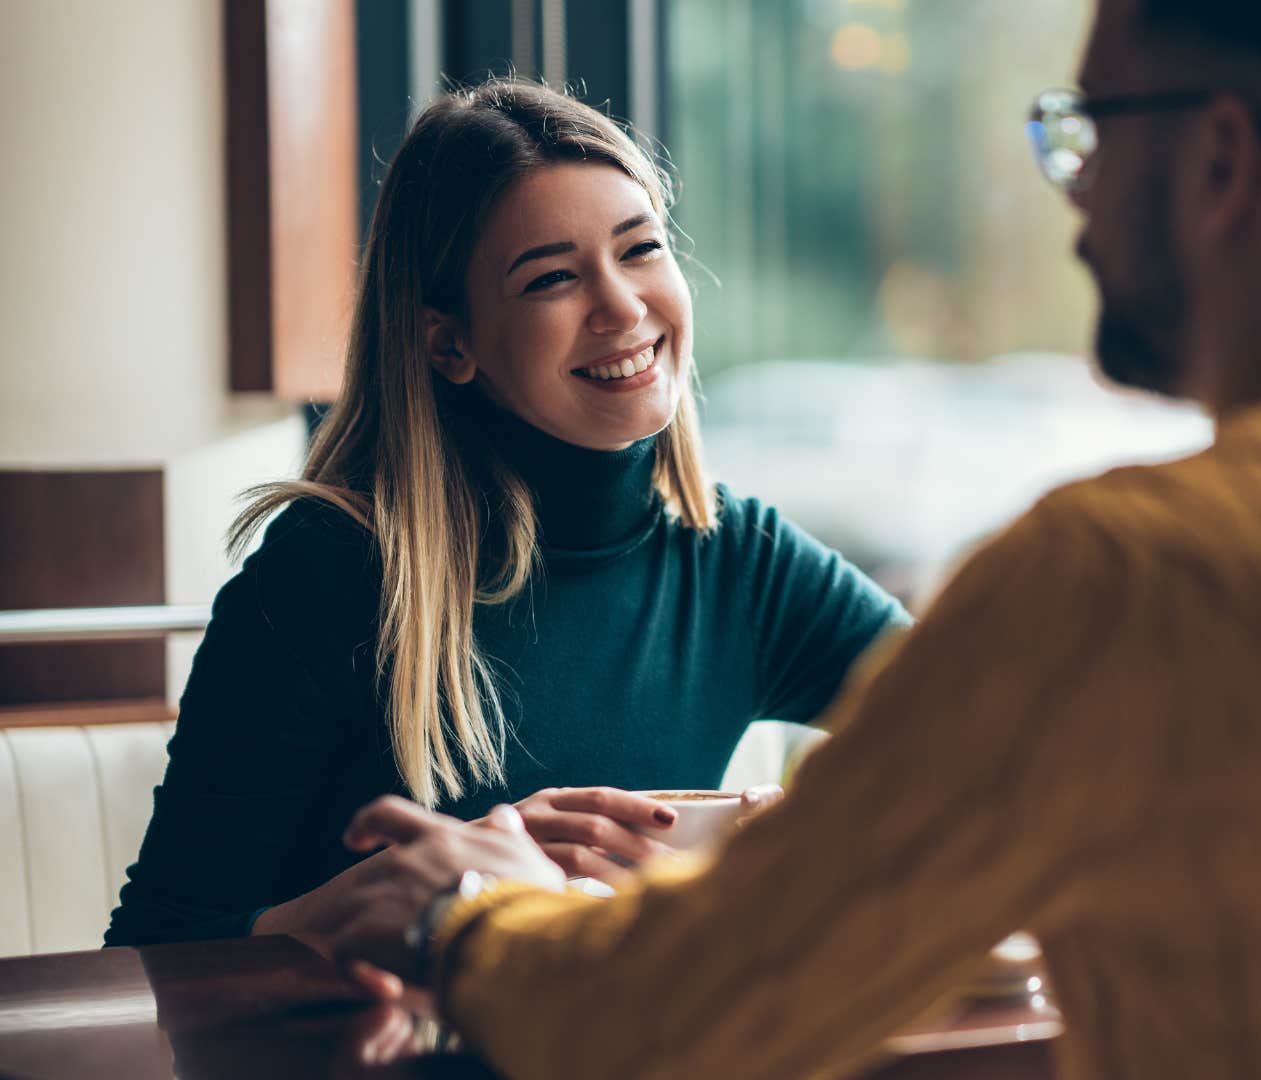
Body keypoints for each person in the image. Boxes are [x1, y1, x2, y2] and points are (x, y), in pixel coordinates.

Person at [323, 2, 1261, 1077]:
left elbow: (688, 1018)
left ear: (1218, 158)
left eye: (1083, 131)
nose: (1069, 200)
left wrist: (466, 915)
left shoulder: (1131, 578)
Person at [104, 80, 907, 947]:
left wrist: (797, 849)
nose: (624, 306)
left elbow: (995, 730)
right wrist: (369, 902)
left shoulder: (740, 559)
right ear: (449, 343)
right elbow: (152, 949)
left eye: (641, 250)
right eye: (553, 278)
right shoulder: (328, 573)